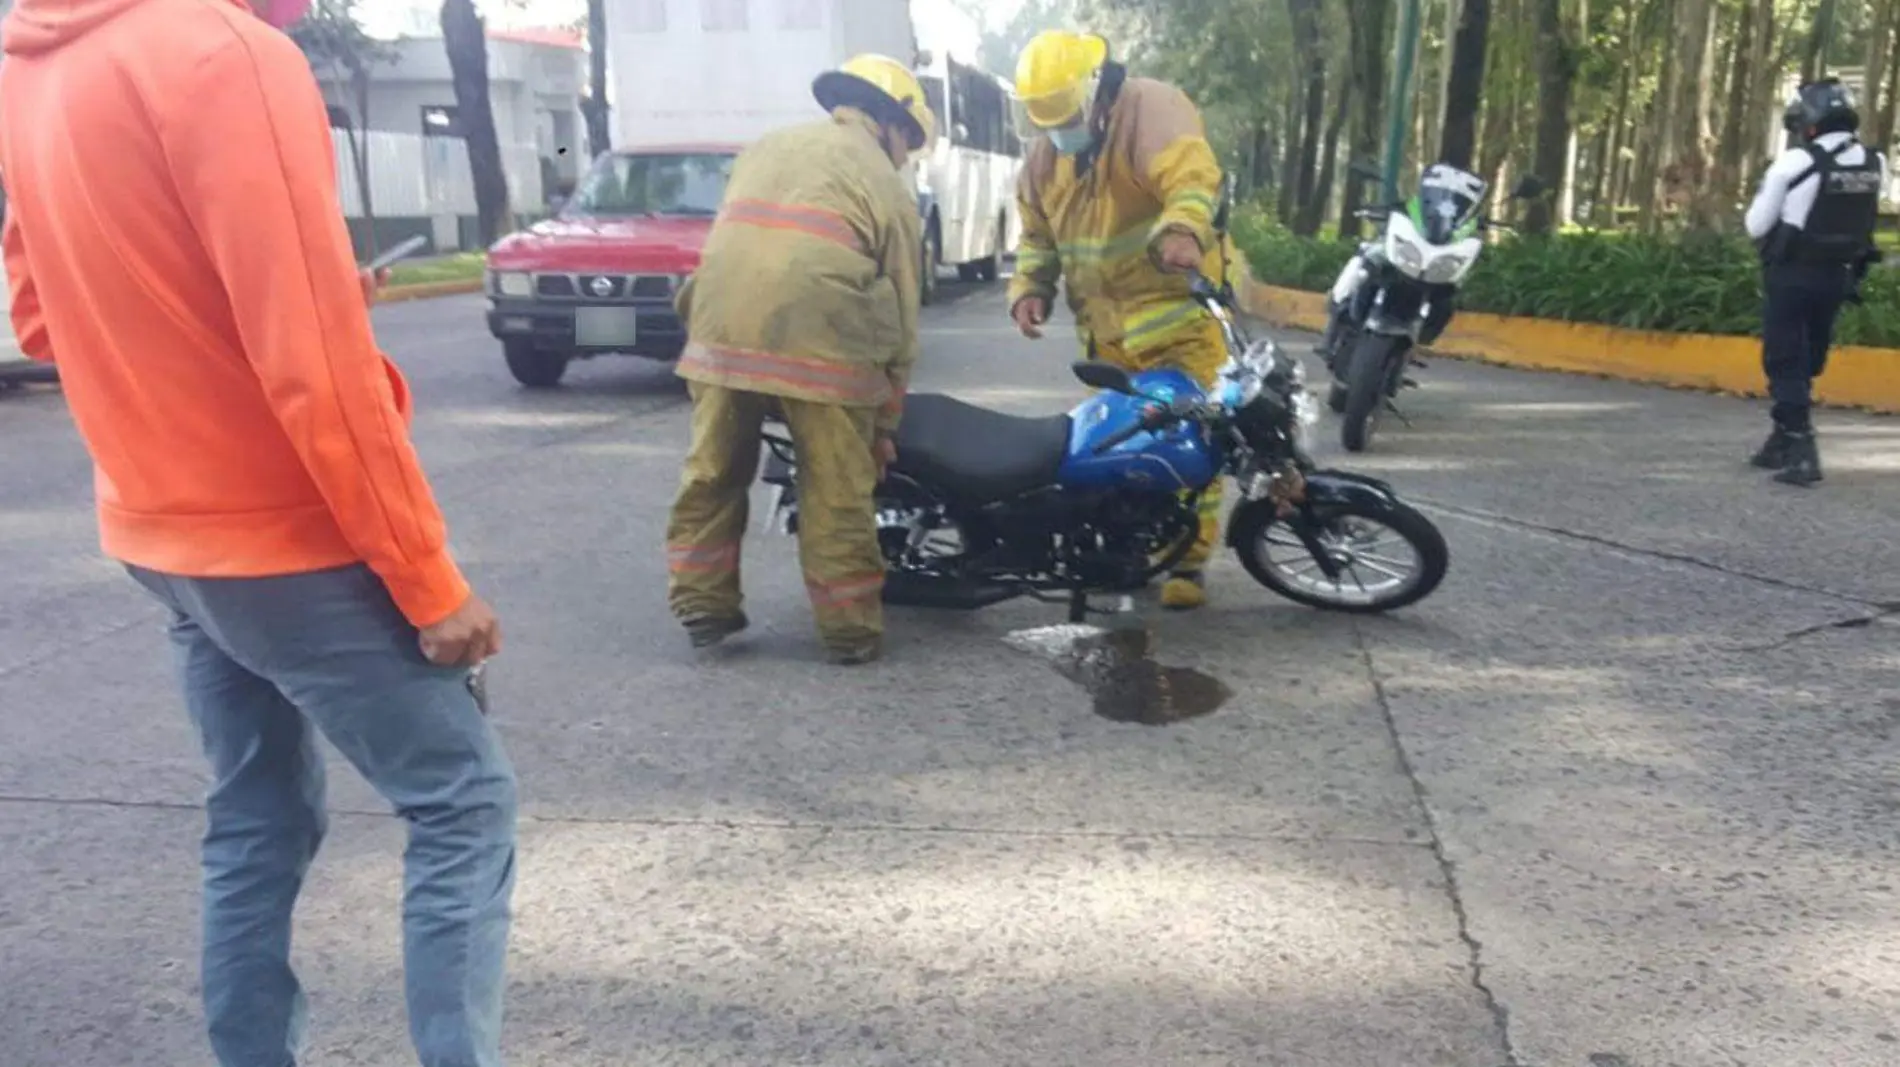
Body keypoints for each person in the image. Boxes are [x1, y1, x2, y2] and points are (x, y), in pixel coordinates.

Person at [0, 0, 518, 1064]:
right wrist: (429, 582)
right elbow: (317, 373)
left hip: (161, 536)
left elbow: (44, 317)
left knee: (256, 819)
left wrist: (279, 299)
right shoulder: (228, 55)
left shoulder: (35, 64)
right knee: (462, 802)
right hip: (283, 537)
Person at [665, 53, 929, 666]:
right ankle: (849, 630)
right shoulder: (887, 184)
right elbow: (904, 317)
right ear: (891, 122)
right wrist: (883, 426)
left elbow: (732, 246)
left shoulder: (767, 147)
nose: (906, 155)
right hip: (823, 349)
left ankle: (702, 603)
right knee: (836, 486)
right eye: (909, 141)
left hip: (719, 335)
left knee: (712, 472)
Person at [1006, 30, 1227, 610]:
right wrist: (1031, 287)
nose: (1059, 132)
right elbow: (1036, 233)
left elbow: (1191, 179)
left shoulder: (1150, 111)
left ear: (1099, 90)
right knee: (1117, 448)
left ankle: (1189, 562)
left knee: (1193, 444)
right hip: (1104, 332)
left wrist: (1183, 229)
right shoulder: (1044, 157)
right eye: (1047, 121)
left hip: (1174, 322)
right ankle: (1131, 545)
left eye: (1068, 116)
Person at [1743, 76, 1886, 487]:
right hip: (1840, 275)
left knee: (1785, 359)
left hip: (1792, 275)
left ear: (1809, 122)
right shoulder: (1874, 162)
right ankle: (1779, 439)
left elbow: (1756, 226)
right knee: (1809, 357)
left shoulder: (1795, 162)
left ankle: (1801, 446)